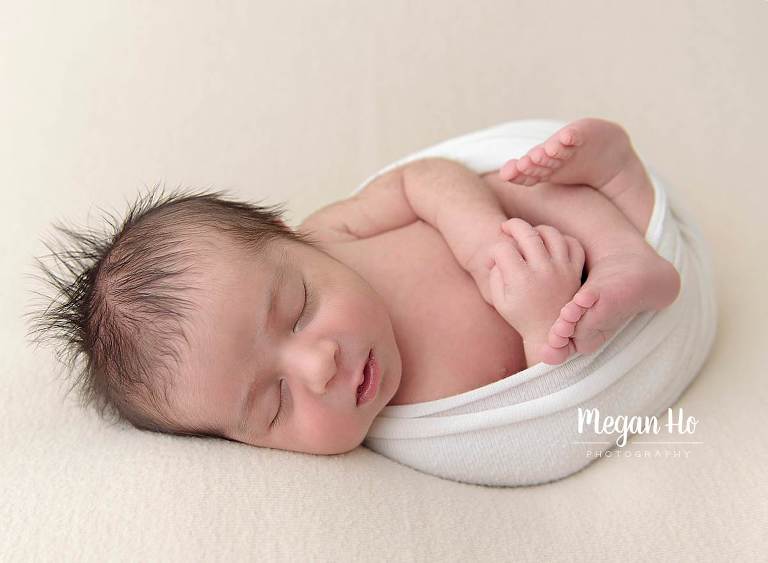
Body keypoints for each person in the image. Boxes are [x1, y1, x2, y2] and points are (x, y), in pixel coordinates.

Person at [28, 117, 680, 456]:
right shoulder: (408, 429)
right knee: (587, 326)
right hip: (562, 300)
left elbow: (421, 178)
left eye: (298, 307)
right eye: (273, 403)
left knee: (510, 183)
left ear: (290, 238)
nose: (318, 365)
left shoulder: (331, 232)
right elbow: (538, 428)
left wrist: (480, 238)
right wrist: (542, 326)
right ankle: (624, 216)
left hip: (522, 224)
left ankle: (620, 218)